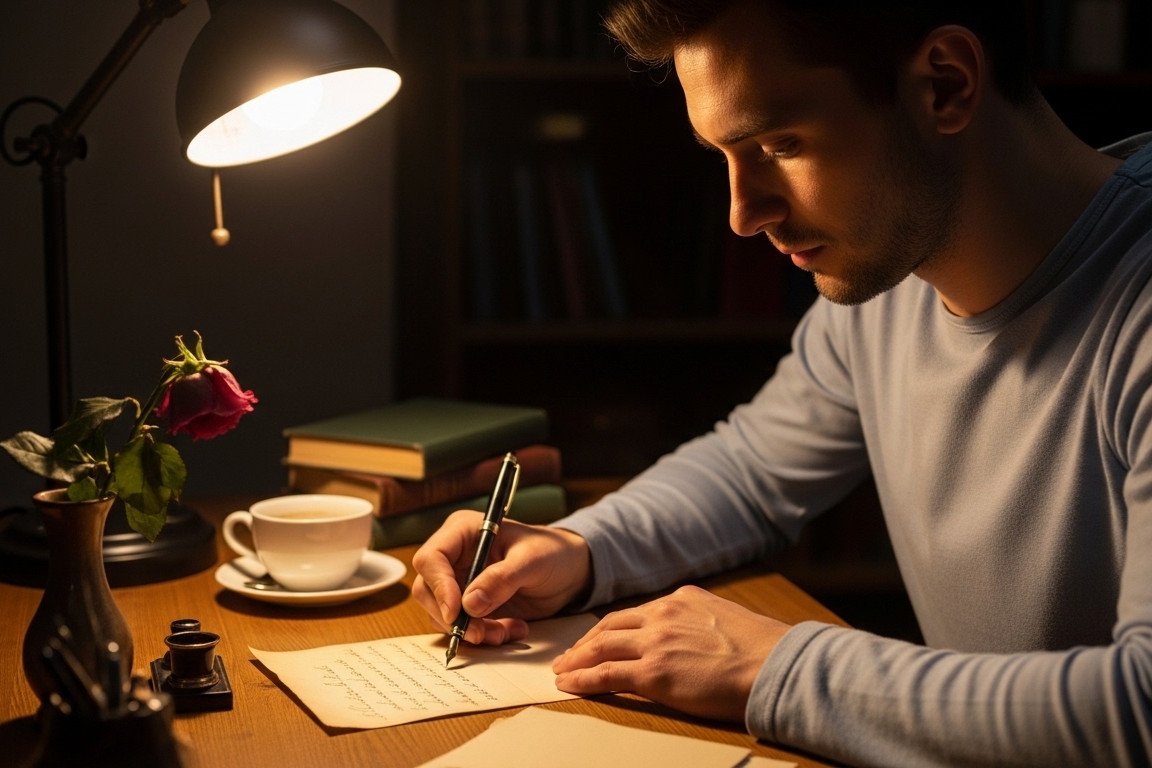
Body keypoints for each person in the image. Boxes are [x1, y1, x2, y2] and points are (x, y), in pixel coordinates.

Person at [411, 1, 1152, 765]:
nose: (742, 213)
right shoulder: (891, 276)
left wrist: (771, 667)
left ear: (945, 85)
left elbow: (1141, 708)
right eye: (723, 155)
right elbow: (753, 471)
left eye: (779, 143)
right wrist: (579, 548)